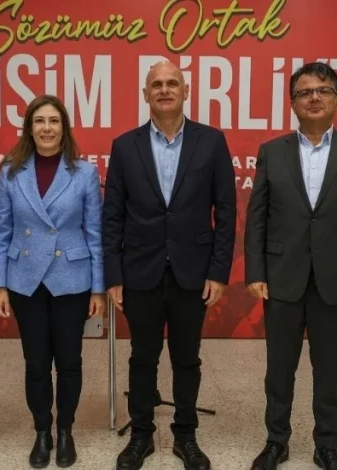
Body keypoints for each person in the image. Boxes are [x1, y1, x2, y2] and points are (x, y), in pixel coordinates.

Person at [244, 62, 337, 470]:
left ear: (336, 100)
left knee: (329, 372)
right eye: (305, 92)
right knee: (279, 371)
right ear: (292, 103)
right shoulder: (273, 151)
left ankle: (327, 445)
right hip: (281, 278)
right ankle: (276, 441)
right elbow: (257, 217)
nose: (314, 98)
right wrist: (255, 271)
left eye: (323, 90)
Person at [103, 60, 237, 470]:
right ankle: (141, 435)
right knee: (142, 356)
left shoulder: (211, 142)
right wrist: (113, 274)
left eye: (172, 83)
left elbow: (226, 211)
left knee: (187, 357)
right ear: (145, 94)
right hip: (139, 270)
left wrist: (218, 271)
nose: (164, 89)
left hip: (192, 272)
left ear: (186, 91)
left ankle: (186, 435)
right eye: (156, 84)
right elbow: (112, 216)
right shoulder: (124, 146)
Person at [0, 94, 105, 469]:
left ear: (64, 128)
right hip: (25, 279)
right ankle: (42, 430)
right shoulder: (11, 172)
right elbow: (2, 231)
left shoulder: (84, 172)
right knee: (36, 363)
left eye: (54, 121)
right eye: (39, 121)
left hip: (71, 278)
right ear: (29, 128)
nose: (46, 128)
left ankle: (66, 430)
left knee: (69, 362)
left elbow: (95, 232)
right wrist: (1, 285)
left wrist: (99, 287)